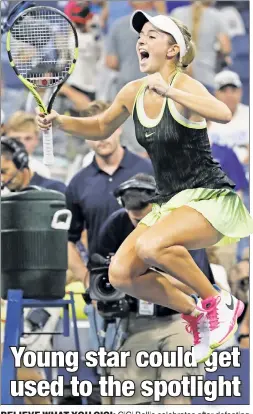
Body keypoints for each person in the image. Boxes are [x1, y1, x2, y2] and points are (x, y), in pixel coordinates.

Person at [36, 11, 253, 363]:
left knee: (152, 246)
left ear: (173, 50)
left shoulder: (183, 85)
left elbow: (223, 114)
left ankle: (217, 300)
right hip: (170, 202)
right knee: (121, 274)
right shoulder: (132, 91)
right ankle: (196, 314)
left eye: (152, 35)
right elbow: (102, 127)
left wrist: (169, 90)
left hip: (208, 196)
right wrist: (60, 121)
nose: (141, 40)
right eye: (141, 36)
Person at [97, 173, 214, 404]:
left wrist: (144, 277)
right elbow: (98, 272)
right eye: (134, 220)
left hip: (183, 318)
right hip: (136, 320)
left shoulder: (183, 226)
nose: (140, 225)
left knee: (175, 394)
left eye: (144, 218)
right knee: (125, 395)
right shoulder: (116, 225)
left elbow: (198, 283)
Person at [65, 100, 153, 286]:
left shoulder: (149, 171)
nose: (101, 137)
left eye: (107, 129)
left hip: (150, 278)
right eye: (93, 132)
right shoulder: (78, 183)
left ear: (119, 128)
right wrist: (87, 280)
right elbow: (67, 241)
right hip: (104, 284)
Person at [171, 0, 231, 93]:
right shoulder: (218, 16)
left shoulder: (176, 13)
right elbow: (226, 48)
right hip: (206, 75)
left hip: (178, 72)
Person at [208, 70, 249, 168]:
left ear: (240, 92)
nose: (229, 95)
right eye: (224, 90)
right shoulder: (207, 118)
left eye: (233, 90)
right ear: (216, 93)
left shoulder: (249, 114)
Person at [1, 137, 66, 193]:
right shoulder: (8, 198)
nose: (1, 179)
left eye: (3, 172)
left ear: (21, 162)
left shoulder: (55, 189)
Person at [5, 111, 51, 178]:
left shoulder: (41, 171)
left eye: (28, 138)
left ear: (36, 140)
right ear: (7, 139)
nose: (22, 143)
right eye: (16, 139)